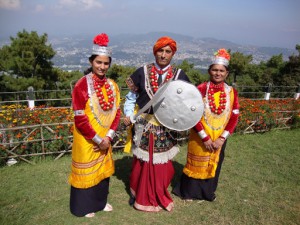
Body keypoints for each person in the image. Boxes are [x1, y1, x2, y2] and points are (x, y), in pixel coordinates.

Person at [123, 36, 190, 212]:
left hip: (166, 126)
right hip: (144, 124)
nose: (163, 55)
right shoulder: (141, 72)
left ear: (173, 54)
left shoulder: (179, 75)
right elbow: (131, 97)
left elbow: (187, 101)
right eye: (160, 50)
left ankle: (159, 192)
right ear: (155, 52)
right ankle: (139, 193)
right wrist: (129, 115)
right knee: (142, 161)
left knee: (163, 164)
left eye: (168, 51)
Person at [172, 48, 239, 202]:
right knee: (196, 162)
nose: (218, 73)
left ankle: (206, 193)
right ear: (209, 71)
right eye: (215, 70)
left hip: (220, 137)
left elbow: (234, 117)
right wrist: (205, 138)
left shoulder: (231, 92)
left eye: (221, 71)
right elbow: (193, 114)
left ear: (226, 73)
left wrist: (221, 139)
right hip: (200, 135)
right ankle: (188, 192)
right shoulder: (200, 89)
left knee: (215, 162)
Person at [69, 33, 121, 217]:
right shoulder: (81, 85)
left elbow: (117, 113)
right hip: (87, 139)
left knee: (102, 173)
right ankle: (84, 207)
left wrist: (108, 137)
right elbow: (80, 118)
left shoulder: (113, 85)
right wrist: (98, 139)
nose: (102, 66)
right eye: (98, 62)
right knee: (87, 173)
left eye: (106, 63)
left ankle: (100, 202)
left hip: (105, 139)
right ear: (91, 62)